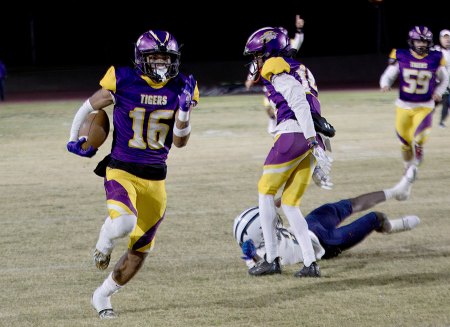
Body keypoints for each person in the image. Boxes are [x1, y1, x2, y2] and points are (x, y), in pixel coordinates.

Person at [66, 30, 199, 319]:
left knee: (139, 252)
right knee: (124, 223)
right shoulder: (123, 79)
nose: (162, 64)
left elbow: (179, 142)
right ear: (142, 59)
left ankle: (102, 296)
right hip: (122, 169)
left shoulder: (183, 86)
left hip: (156, 178)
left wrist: (185, 110)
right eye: (155, 58)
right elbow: (90, 105)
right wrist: (73, 136)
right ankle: (104, 238)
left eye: (166, 58)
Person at [243, 27, 332, 277]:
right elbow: (313, 107)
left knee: (265, 190)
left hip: (296, 132)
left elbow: (299, 101)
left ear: (269, 52)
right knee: (291, 204)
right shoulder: (299, 67)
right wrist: (319, 145)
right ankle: (309, 263)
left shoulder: (275, 65)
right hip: (308, 133)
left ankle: (271, 258)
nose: (256, 61)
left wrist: (312, 140)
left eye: (258, 55)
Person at [233, 166, 419, 271]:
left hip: (310, 225)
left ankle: (398, 191)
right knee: (375, 218)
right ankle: (393, 226)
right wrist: (253, 259)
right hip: (327, 242)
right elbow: (255, 263)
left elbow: (269, 209)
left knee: (349, 204)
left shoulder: (258, 239)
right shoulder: (264, 257)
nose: (273, 221)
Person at [379, 26, 449, 176]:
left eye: (425, 41)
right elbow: (389, 74)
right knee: (404, 143)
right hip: (403, 106)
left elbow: (444, 79)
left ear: (429, 42)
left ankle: (419, 150)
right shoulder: (402, 55)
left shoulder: (435, 57)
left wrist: (438, 92)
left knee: (419, 138)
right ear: (412, 41)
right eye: (418, 41)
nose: (421, 44)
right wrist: (385, 83)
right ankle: (407, 167)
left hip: (425, 106)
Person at [245, 15, 305, 136]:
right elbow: (257, 61)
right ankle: (276, 123)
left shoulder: (286, 48)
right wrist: (250, 78)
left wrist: (299, 30)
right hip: (271, 86)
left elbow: (297, 42)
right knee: (270, 107)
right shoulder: (265, 53)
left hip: (284, 85)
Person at [432, 29, 450, 128]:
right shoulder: (436, 50)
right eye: (445, 38)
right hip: (437, 83)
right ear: (440, 39)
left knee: (447, 103)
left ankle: (441, 122)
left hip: (447, 84)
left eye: (449, 38)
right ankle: (424, 118)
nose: (447, 40)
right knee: (433, 103)